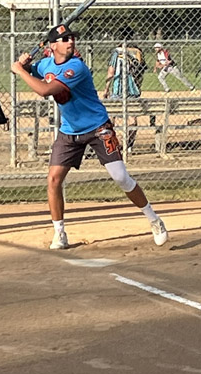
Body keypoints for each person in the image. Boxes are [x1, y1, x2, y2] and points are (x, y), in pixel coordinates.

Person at [10, 23, 169, 250]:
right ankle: (60, 233)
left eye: (72, 38)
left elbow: (44, 90)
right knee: (53, 179)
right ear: (52, 46)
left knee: (121, 178)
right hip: (69, 131)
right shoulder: (45, 64)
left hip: (97, 127)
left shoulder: (76, 67)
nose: (71, 42)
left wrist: (20, 70)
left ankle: (154, 219)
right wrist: (25, 64)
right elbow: (32, 70)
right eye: (65, 39)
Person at [104, 42, 146, 152]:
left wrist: (106, 89)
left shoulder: (117, 52)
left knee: (111, 117)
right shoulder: (136, 52)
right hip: (132, 89)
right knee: (132, 118)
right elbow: (141, 73)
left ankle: (111, 143)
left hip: (118, 89)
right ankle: (129, 145)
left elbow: (111, 72)